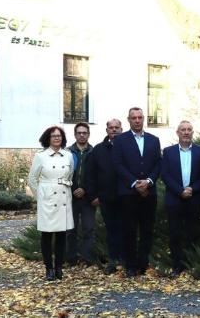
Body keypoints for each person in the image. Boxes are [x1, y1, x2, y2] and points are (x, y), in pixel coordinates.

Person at [111, 107, 161, 277]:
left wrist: (148, 181)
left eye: (140, 117)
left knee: (147, 229)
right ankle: (131, 266)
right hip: (128, 193)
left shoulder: (154, 140)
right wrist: (134, 183)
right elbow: (117, 164)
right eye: (134, 118)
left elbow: (158, 165)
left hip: (149, 192)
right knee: (129, 230)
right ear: (129, 120)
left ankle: (143, 264)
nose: (137, 120)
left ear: (143, 119)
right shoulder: (120, 140)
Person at [28, 126, 74, 281]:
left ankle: (59, 267)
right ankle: (49, 268)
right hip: (47, 199)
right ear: (48, 138)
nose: (57, 138)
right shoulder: (40, 156)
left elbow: (70, 174)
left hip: (63, 197)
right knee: (47, 235)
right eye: (54, 136)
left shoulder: (68, 156)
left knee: (62, 235)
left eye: (59, 136)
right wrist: (40, 197)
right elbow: (32, 179)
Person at [160, 121, 200, 277]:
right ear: (177, 133)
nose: (186, 132)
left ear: (193, 132)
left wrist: (193, 188)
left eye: (189, 130)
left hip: (194, 198)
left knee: (193, 233)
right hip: (175, 199)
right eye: (183, 130)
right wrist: (180, 191)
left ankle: (192, 265)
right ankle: (177, 266)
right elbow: (165, 175)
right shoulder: (168, 151)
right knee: (175, 234)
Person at [84, 119, 123, 274]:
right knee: (112, 231)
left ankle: (127, 260)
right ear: (106, 130)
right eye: (111, 128)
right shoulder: (98, 150)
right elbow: (90, 175)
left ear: (121, 129)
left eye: (116, 128)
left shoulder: (128, 146)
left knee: (128, 230)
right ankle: (113, 261)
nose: (113, 130)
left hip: (127, 197)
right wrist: (93, 196)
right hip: (106, 199)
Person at [66, 122, 94, 266]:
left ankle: (87, 259)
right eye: (79, 133)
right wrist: (73, 189)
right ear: (75, 134)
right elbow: (64, 175)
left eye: (85, 133)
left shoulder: (94, 152)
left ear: (88, 134)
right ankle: (72, 259)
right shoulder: (68, 152)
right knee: (71, 230)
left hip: (88, 198)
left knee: (88, 229)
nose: (82, 135)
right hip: (70, 197)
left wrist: (85, 189)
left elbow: (97, 176)